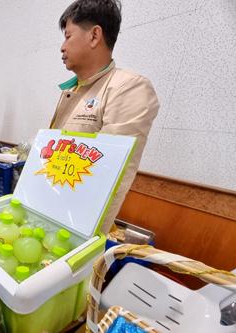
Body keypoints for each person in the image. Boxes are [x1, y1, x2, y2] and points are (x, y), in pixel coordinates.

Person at [51, 0, 159, 233]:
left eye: (68, 36)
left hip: (78, 224)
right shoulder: (73, 90)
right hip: (51, 209)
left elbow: (107, 174)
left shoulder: (128, 88)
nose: (62, 47)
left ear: (94, 36)